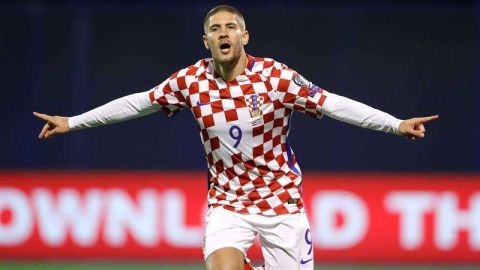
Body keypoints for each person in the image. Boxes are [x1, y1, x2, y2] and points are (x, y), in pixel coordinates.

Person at [33, 5, 438, 270]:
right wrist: (73, 122)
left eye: (231, 27)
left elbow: (331, 103)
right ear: (206, 41)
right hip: (227, 202)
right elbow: (139, 103)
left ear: (245, 37)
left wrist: (394, 123)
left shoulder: (276, 77)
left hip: (281, 201)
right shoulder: (191, 81)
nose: (223, 32)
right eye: (215, 28)